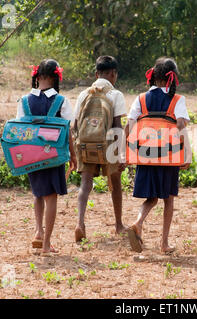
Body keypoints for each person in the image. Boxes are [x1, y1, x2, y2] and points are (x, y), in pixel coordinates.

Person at [125, 57, 191, 254]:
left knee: (151, 198)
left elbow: (129, 125)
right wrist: (186, 152)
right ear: (172, 78)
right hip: (168, 155)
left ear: (154, 77)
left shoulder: (141, 98)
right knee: (168, 199)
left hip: (145, 153)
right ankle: (164, 243)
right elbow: (180, 125)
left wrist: (124, 151)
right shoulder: (177, 100)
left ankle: (138, 222)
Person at [16, 59, 77, 255]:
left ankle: (38, 232)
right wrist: (73, 155)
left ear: (38, 76)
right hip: (54, 156)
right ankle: (46, 244)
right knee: (51, 197)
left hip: (31, 155)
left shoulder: (24, 101)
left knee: (38, 194)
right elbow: (69, 131)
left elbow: (19, 128)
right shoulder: (61, 101)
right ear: (55, 77)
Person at [73, 56, 127, 242]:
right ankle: (119, 225)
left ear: (96, 74)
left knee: (85, 184)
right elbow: (117, 126)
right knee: (116, 184)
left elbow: (75, 124)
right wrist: (121, 153)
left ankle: (80, 223)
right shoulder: (116, 95)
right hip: (109, 144)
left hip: (86, 144)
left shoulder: (83, 94)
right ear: (113, 74)